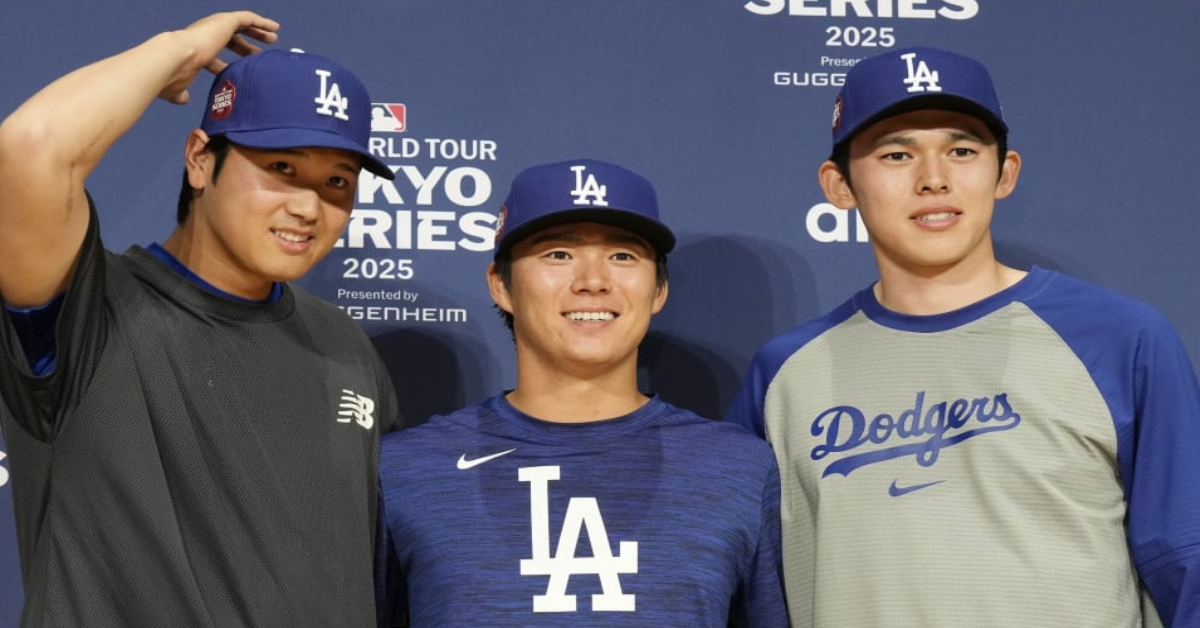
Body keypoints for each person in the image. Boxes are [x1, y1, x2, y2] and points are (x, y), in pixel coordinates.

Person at [726, 46, 1200, 627]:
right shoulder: (785, 374)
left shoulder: (1122, 339)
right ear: (839, 184)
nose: (934, 179)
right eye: (897, 154)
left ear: (1005, 172)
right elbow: (755, 593)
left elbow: (1185, 562)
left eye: (962, 150)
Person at [0, 12, 400, 627]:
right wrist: (175, 48)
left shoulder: (343, 343)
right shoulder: (85, 307)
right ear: (199, 160)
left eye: (337, 182)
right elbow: (31, 147)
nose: (307, 206)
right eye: (281, 168)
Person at [376, 158, 789, 627]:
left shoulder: (740, 469)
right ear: (502, 285)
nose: (593, 281)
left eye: (623, 256)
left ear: (658, 290)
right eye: (558, 254)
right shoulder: (405, 470)